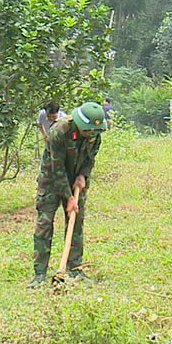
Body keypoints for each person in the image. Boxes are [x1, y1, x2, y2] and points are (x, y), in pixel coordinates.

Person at [29, 102, 108, 287]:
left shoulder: (95, 135)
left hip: (75, 181)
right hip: (51, 179)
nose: (91, 135)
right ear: (79, 124)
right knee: (44, 224)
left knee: (76, 223)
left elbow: (90, 159)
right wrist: (68, 197)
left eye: (94, 132)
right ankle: (40, 274)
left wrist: (82, 176)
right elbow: (57, 168)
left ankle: (74, 269)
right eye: (87, 131)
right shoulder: (59, 131)